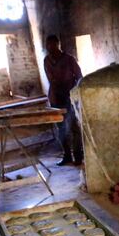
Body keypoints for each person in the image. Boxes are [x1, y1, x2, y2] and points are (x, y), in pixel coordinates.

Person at [43, 34, 83, 166]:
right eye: (48, 45)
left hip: (69, 97)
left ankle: (78, 156)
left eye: (53, 45)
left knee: (74, 127)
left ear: (58, 45)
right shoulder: (47, 61)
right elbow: (51, 80)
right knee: (61, 129)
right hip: (55, 98)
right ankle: (67, 156)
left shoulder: (69, 59)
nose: (50, 48)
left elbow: (79, 77)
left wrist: (75, 93)